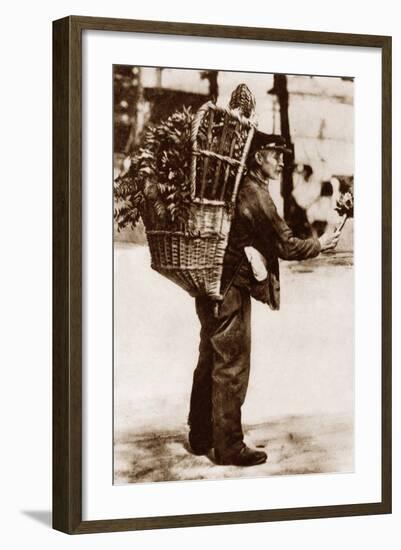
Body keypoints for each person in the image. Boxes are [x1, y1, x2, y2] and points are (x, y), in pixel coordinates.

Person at [187, 132, 341, 467]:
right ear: (258, 156)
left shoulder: (238, 185)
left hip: (210, 284)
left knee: (210, 359)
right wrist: (320, 245)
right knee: (232, 366)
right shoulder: (255, 193)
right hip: (229, 290)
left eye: (283, 155)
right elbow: (285, 244)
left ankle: (200, 436)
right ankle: (229, 447)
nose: (282, 162)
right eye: (275, 154)